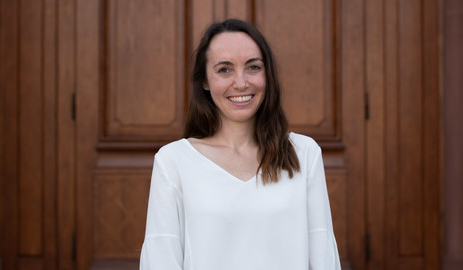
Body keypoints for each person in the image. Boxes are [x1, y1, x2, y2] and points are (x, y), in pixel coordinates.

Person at [140, 18, 341, 270]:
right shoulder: (173, 161)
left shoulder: (304, 153)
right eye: (224, 70)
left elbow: (322, 254)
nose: (241, 82)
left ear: (267, 74)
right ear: (205, 81)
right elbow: (161, 258)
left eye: (253, 67)